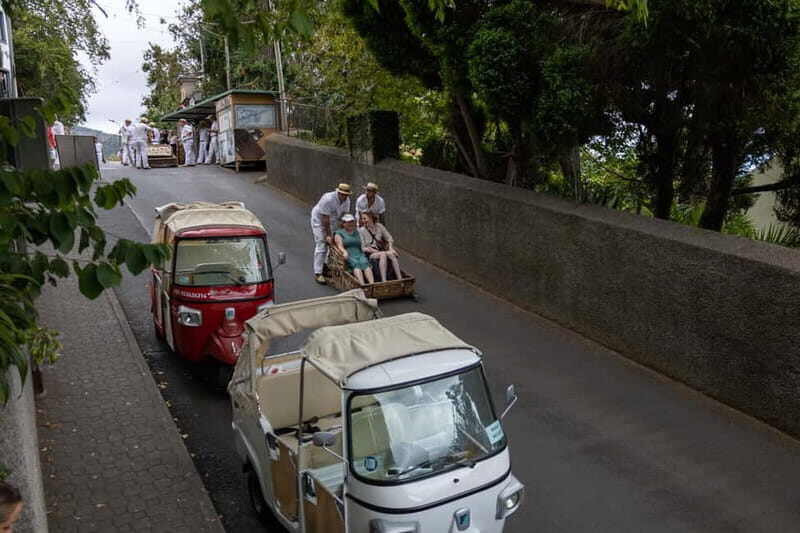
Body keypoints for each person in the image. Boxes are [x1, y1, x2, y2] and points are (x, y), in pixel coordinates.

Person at [310, 183, 352, 284]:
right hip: (319, 221)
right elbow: (325, 220)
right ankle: (318, 273)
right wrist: (328, 235)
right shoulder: (328, 199)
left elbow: (344, 216)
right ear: (338, 192)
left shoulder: (347, 201)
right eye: (342, 194)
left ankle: (325, 267)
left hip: (332, 221)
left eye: (346, 194)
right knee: (321, 245)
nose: (344, 196)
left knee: (331, 245)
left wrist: (345, 231)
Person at [359, 210, 401, 282]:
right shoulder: (361, 230)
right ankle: (384, 280)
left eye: (365, 218)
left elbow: (389, 238)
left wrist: (391, 248)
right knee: (383, 254)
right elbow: (363, 248)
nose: (363, 221)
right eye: (362, 219)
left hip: (379, 251)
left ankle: (400, 278)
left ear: (371, 217)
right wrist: (372, 250)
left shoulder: (379, 226)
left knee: (391, 254)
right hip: (370, 253)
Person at [335, 213, 374, 285]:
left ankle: (372, 284)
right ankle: (362, 284)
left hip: (359, 252)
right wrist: (344, 252)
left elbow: (363, 242)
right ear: (344, 223)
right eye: (348, 222)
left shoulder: (357, 232)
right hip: (349, 253)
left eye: (352, 221)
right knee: (356, 264)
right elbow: (339, 245)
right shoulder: (339, 233)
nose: (351, 224)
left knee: (365, 263)